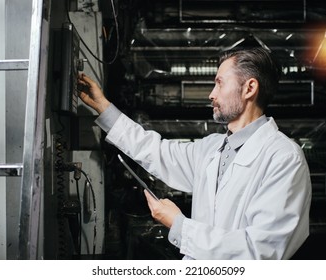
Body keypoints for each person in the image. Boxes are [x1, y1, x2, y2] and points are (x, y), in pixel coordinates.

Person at [77, 47, 312, 260]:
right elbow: (155, 151)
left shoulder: (283, 158)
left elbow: (261, 252)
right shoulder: (211, 148)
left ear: (249, 88)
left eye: (219, 83)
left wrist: (180, 226)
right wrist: (103, 108)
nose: (212, 94)